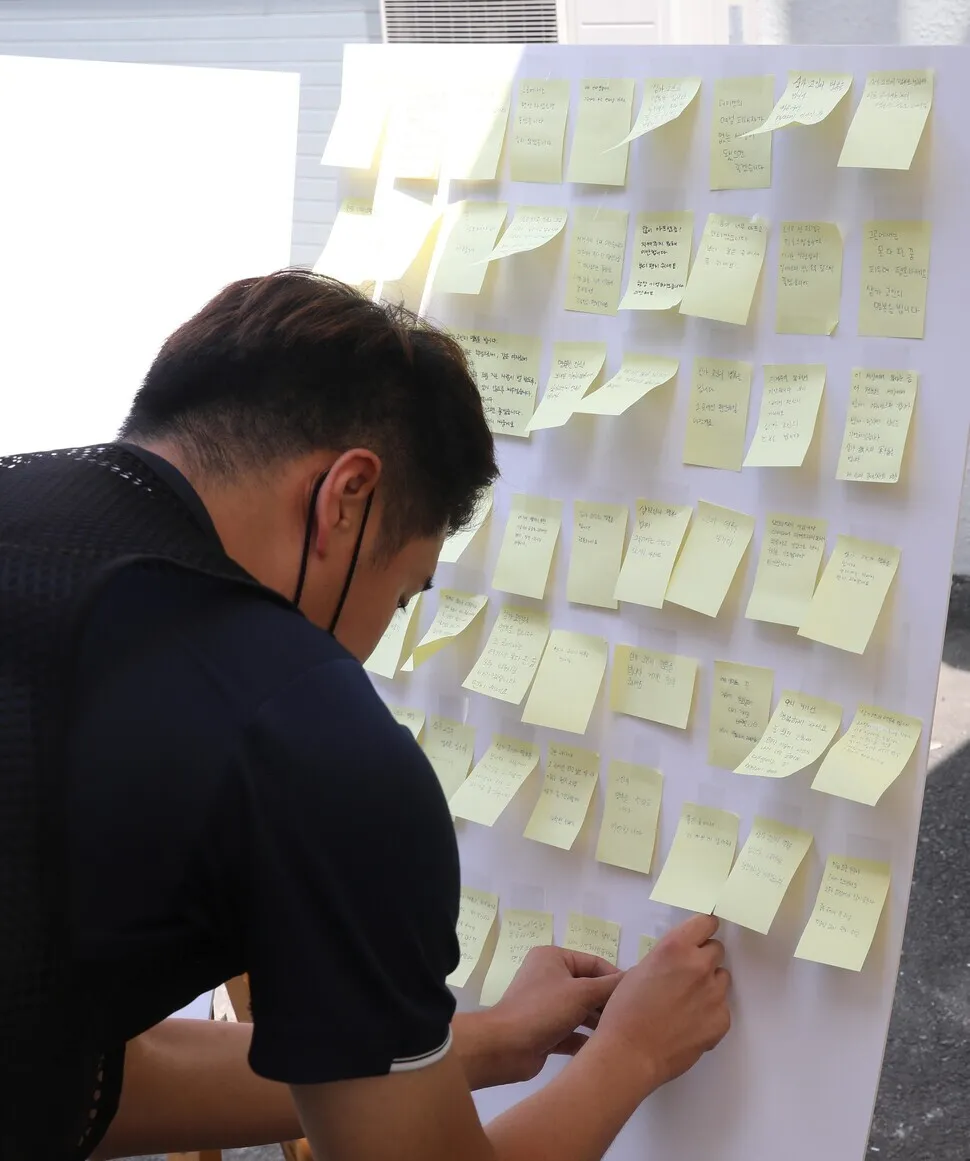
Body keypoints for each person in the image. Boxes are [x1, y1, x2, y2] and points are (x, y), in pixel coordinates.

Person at [0, 269, 730, 1161]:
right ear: (345, 497)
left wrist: (484, 1042)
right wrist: (632, 1053)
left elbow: (73, 1071)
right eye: (404, 590)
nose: (377, 643)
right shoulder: (310, 741)